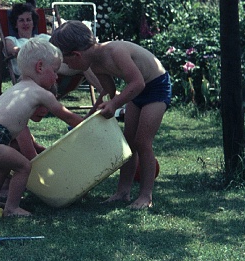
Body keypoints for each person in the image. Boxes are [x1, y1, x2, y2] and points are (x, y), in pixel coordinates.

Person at [49, 20, 172, 210]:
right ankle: (123, 192)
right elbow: (108, 90)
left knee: (142, 141)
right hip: (137, 92)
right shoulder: (93, 63)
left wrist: (114, 104)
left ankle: (146, 196)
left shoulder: (115, 51)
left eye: (67, 61)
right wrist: (91, 115)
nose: (68, 66)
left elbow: (138, 82)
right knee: (129, 143)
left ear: (76, 54)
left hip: (156, 87)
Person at [0, 36, 85, 217]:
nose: (56, 78)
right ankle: (12, 208)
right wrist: (88, 124)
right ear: (40, 67)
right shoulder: (41, 93)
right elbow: (67, 116)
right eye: (54, 72)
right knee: (23, 167)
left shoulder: (18, 87)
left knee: (3, 166)